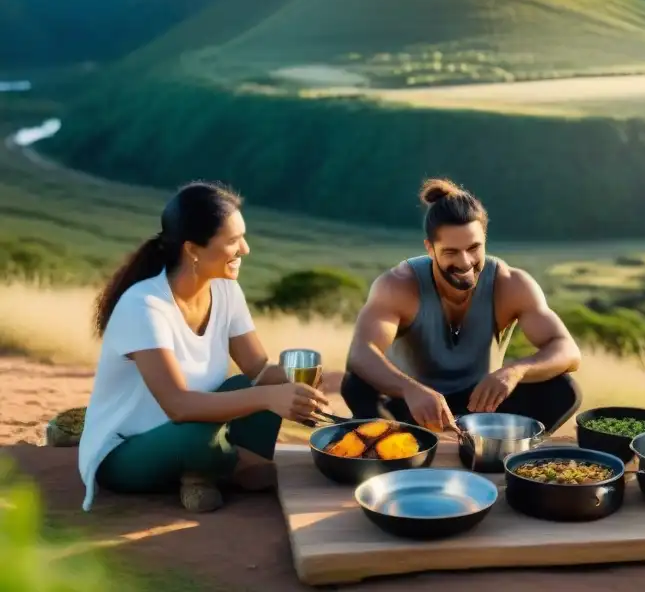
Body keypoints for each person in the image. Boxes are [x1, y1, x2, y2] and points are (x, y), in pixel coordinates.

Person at [78, 181, 329, 514]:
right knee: (201, 433)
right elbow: (178, 407)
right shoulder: (145, 306)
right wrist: (269, 397)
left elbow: (258, 371)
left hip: (201, 426)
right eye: (233, 241)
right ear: (192, 249)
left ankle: (203, 471)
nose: (245, 250)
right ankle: (220, 466)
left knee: (262, 387)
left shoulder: (225, 291)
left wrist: (304, 379)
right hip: (127, 453)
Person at [341, 178, 583, 434]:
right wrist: (408, 388)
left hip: (482, 407)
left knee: (564, 389)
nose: (465, 262)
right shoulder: (398, 285)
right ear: (430, 249)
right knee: (356, 385)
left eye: (474, 248)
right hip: (411, 407)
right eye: (451, 252)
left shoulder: (512, 284)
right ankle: (396, 450)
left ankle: (506, 454)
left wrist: (514, 371)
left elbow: (567, 350)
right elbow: (361, 353)